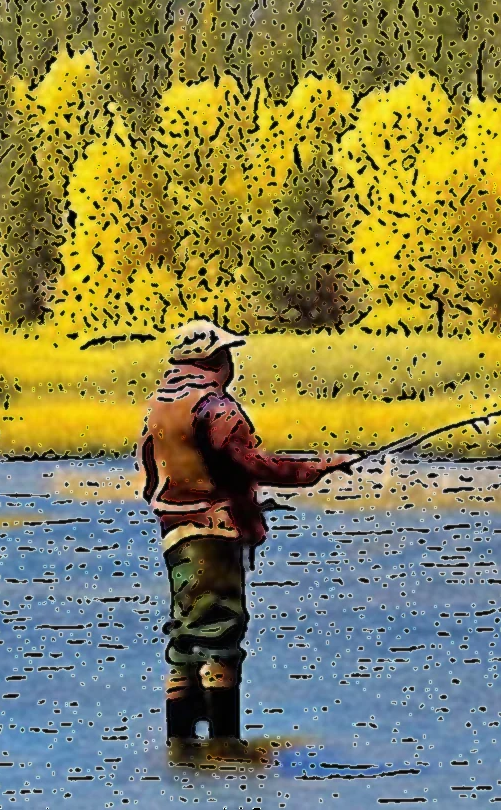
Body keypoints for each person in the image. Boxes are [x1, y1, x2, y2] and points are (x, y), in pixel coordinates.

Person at [137, 318, 356, 747]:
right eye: (226, 354)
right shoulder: (216, 407)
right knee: (220, 637)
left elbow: (151, 471)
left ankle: (179, 749)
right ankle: (225, 750)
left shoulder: (159, 405)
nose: (231, 362)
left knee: (184, 640)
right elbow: (253, 463)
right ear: (213, 360)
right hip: (213, 536)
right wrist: (315, 469)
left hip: (175, 533)